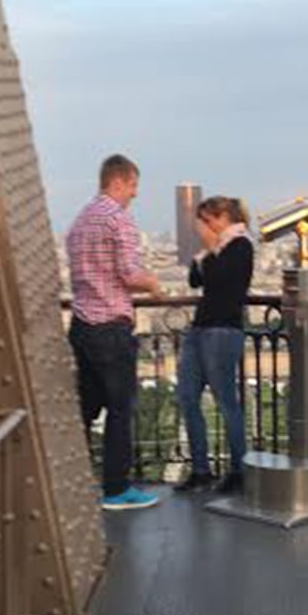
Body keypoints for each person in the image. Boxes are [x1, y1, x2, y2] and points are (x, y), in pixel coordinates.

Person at [67, 154, 161, 510]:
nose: (135, 194)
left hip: (82, 326)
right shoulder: (117, 220)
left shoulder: (80, 221)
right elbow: (129, 274)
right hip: (110, 327)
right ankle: (117, 488)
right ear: (118, 181)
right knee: (121, 408)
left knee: (86, 408)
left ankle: (70, 477)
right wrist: (153, 285)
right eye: (133, 185)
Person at [175, 196, 253, 494]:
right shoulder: (217, 249)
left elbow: (221, 281)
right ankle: (200, 469)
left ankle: (239, 470)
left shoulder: (241, 246)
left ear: (223, 218)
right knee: (187, 397)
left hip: (223, 329)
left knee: (225, 402)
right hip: (201, 329)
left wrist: (209, 249)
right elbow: (195, 280)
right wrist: (206, 252)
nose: (203, 228)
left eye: (207, 221)